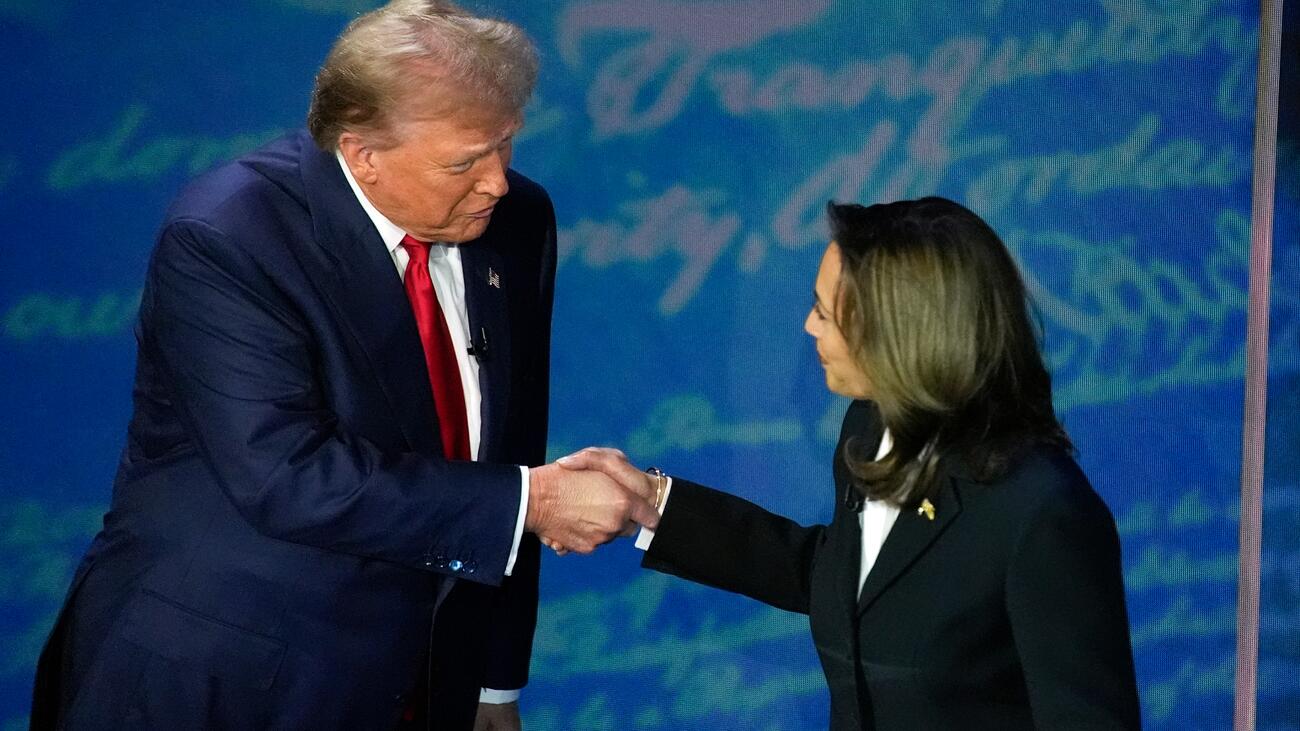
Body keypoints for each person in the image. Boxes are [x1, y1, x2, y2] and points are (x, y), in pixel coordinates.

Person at [30, 3, 657, 730]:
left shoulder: (517, 221)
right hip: (228, 675)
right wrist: (536, 503)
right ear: (362, 154)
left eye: (504, 145)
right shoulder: (230, 234)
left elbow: (509, 442)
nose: (495, 182)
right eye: (464, 161)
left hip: (418, 680)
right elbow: (286, 474)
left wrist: (491, 679)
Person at [558, 197, 1142, 729]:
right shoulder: (868, 427)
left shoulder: (1041, 511)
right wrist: (654, 506)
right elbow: (844, 580)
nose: (809, 327)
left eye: (825, 313)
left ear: (901, 335)